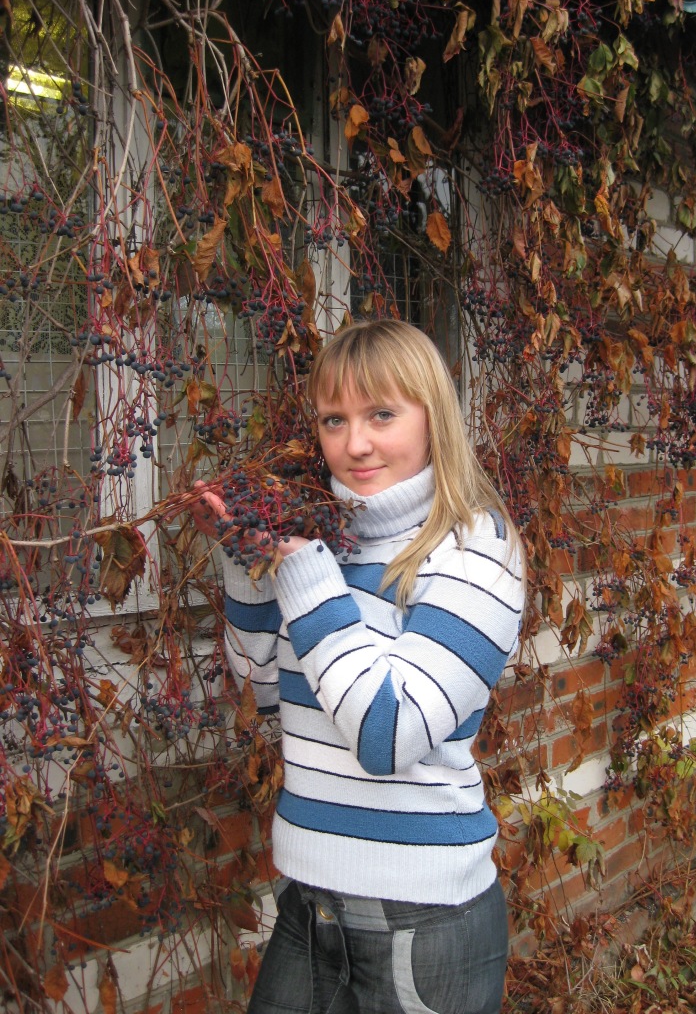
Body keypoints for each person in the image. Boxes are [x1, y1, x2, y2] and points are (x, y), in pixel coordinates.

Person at [191, 319, 526, 1014]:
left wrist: (300, 571)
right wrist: (248, 565)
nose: (355, 444)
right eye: (334, 420)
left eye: (382, 414)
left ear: (433, 416)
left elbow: (387, 733)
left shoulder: (476, 549)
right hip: (310, 907)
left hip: (427, 923)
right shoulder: (323, 547)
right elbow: (260, 692)